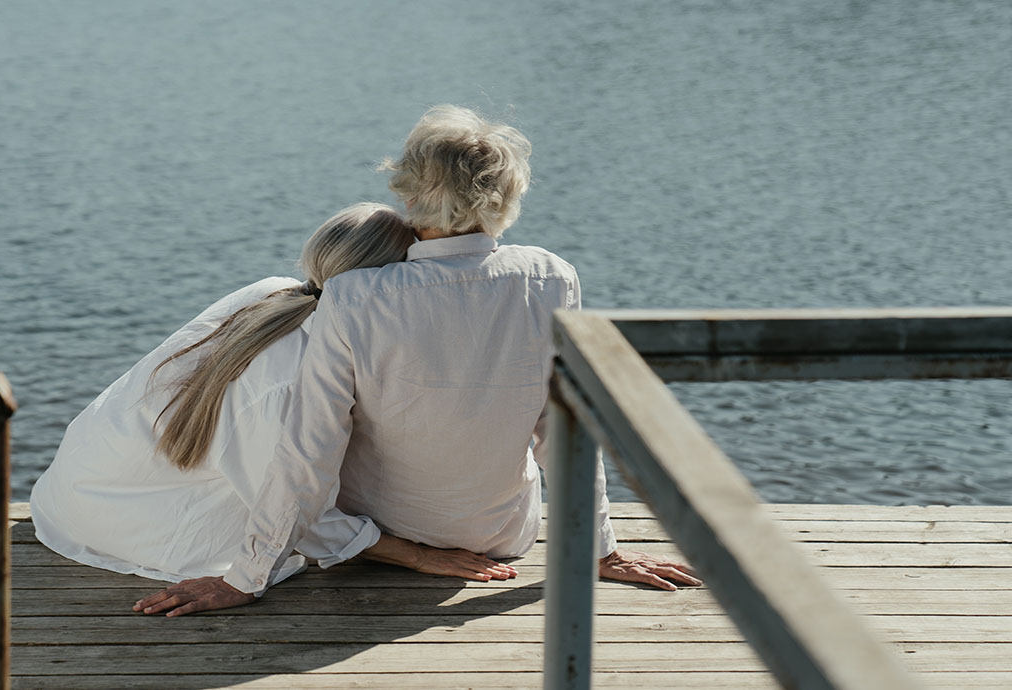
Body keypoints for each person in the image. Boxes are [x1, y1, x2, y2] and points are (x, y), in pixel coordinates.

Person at [135, 106, 700, 617]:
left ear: (409, 195)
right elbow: (562, 427)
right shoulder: (552, 277)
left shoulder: (355, 296)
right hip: (500, 536)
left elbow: (309, 451)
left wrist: (246, 578)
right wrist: (598, 548)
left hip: (383, 532)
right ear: (508, 199)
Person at [30, 202, 518, 600]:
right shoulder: (296, 375)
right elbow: (298, 514)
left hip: (79, 487)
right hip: (129, 522)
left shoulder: (274, 293)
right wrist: (418, 555)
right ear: (378, 285)